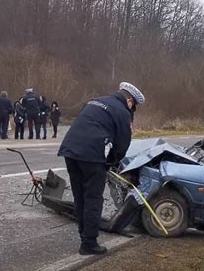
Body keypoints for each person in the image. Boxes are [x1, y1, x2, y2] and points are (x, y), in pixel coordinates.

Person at [58, 82, 145, 255]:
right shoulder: (122, 112)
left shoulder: (94, 101)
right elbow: (122, 144)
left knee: (80, 196)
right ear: (129, 101)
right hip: (92, 157)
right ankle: (89, 244)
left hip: (70, 152)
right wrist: (113, 163)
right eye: (134, 106)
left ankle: (84, 235)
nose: (132, 110)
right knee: (93, 199)